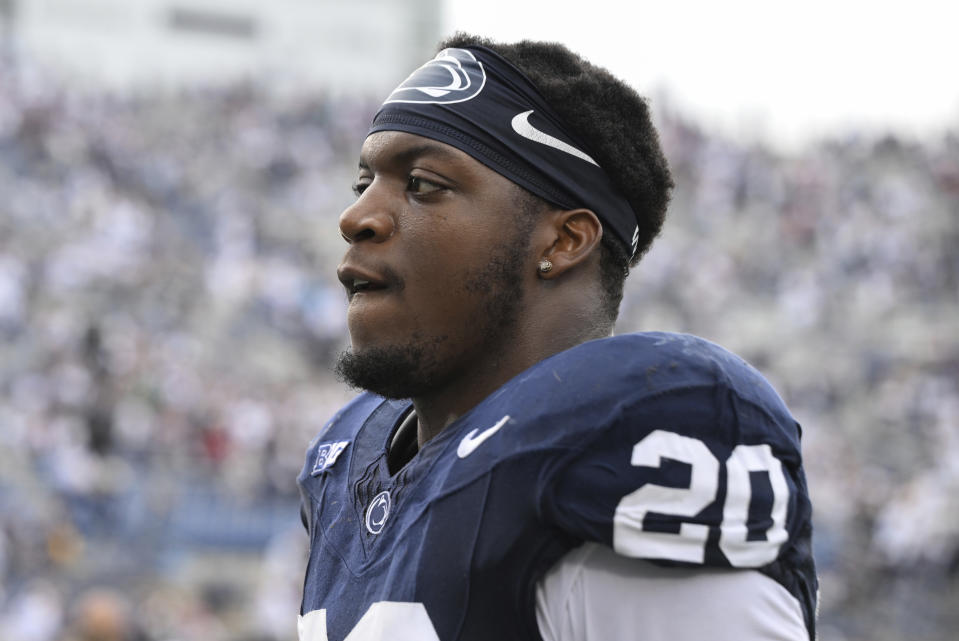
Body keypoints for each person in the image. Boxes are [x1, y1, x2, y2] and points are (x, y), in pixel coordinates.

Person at [297, 33, 817, 641]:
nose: (356, 216)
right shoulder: (348, 462)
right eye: (364, 184)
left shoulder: (623, 449)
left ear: (563, 241)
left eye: (423, 184)